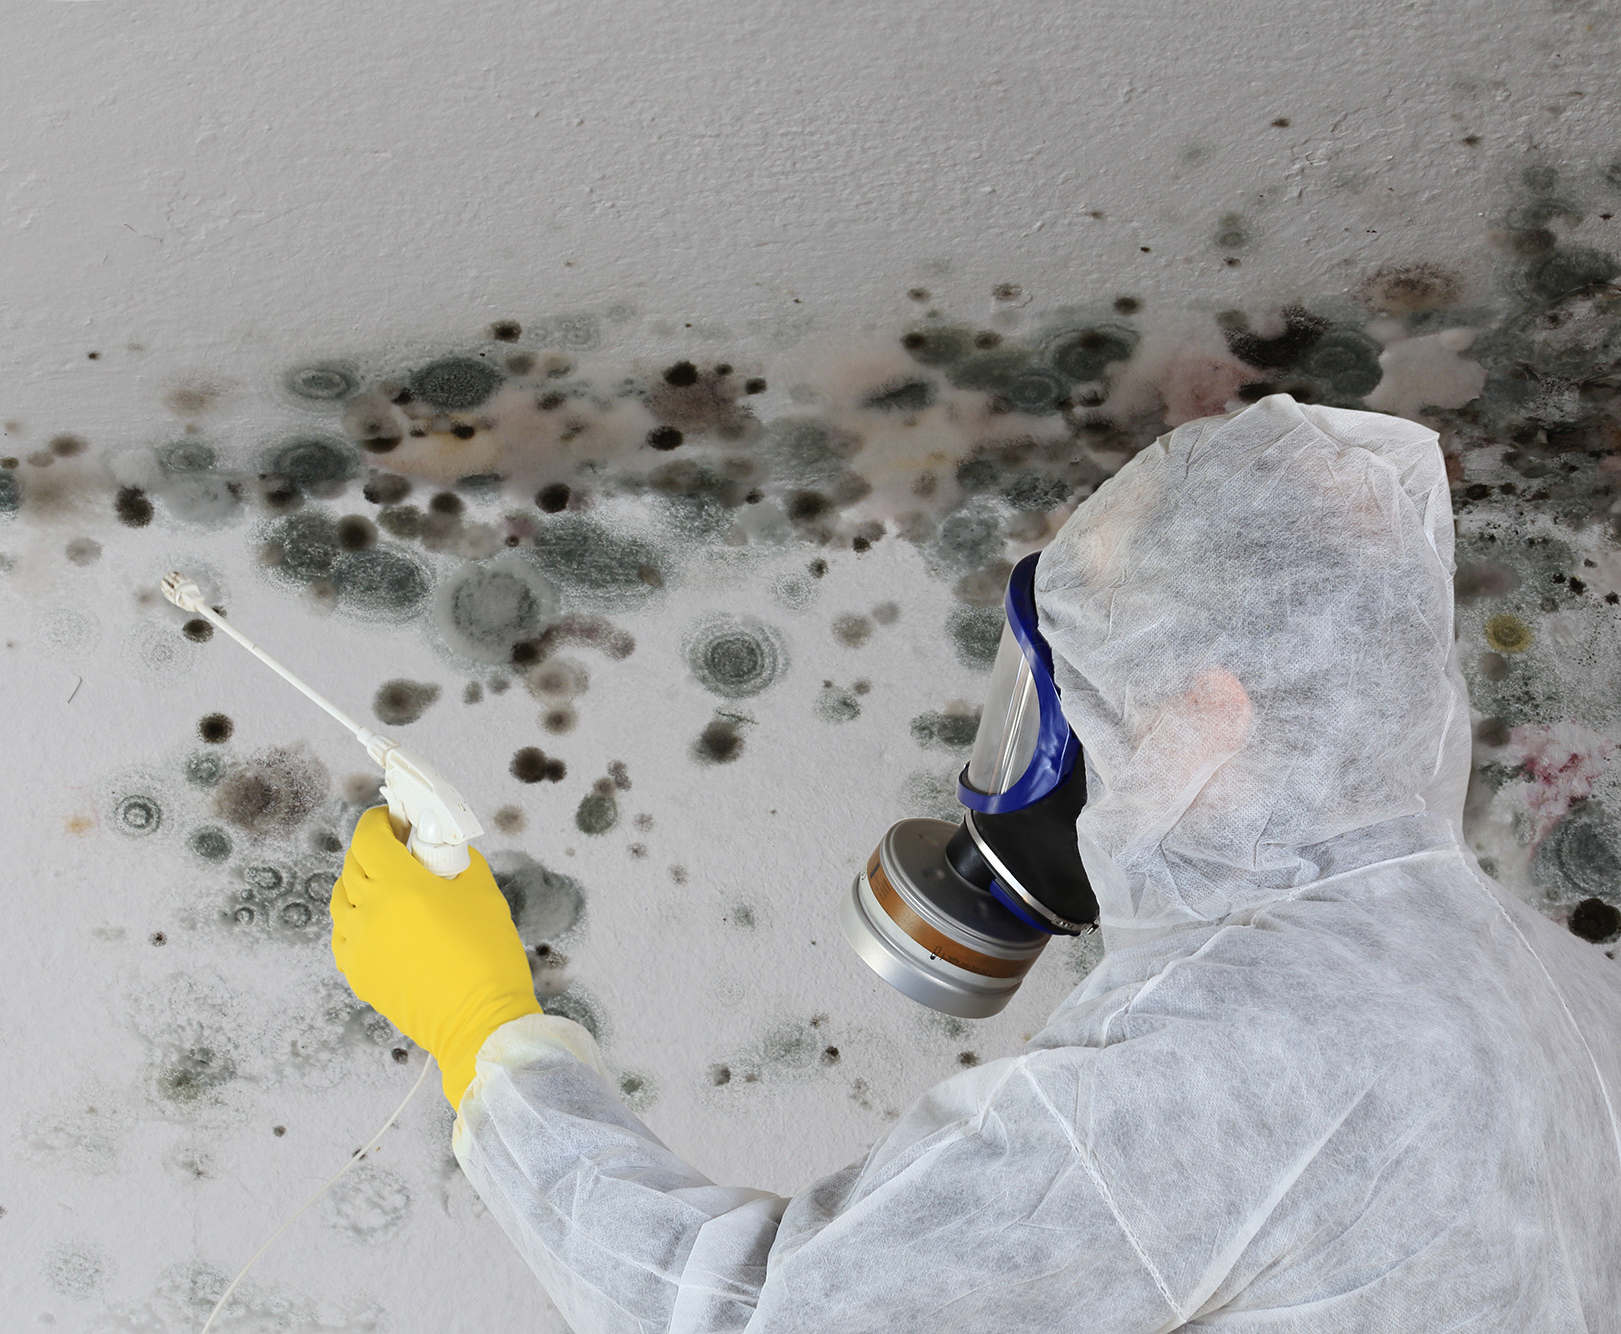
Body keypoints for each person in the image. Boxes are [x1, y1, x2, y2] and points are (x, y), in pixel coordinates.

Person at [329, 394, 1621, 1330]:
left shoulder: (1230, 1043)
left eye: (1091, 695)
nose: (1056, 752)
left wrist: (493, 1039)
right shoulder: (1570, 998)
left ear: (1216, 711)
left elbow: (773, 1322)